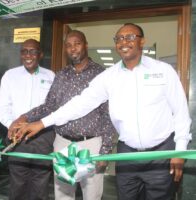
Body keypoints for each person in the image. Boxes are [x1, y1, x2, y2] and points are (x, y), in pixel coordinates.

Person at [17, 23, 191, 200]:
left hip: (160, 153)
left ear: (142, 41)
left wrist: (179, 151)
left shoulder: (163, 71)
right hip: (127, 154)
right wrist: (42, 123)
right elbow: (80, 103)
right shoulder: (109, 76)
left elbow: (181, 112)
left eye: (130, 37)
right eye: (119, 38)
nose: (124, 42)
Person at [10, 30, 115, 200]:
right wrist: (25, 117)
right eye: (68, 45)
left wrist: (105, 150)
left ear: (86, 45)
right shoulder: (61, 75)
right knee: (63, 194)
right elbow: (50, 105)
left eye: (77, 44)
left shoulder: (102, 75)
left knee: (92, 195)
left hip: (91, 145)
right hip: (63, 144)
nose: (73, 49)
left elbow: (108, 114)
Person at [0, 39, 55, 200]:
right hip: (17, 137)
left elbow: (53, 107)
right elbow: (2, 107)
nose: (28, 55)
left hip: (43, 136)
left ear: (40, 54)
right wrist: (12, 125)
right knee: (18, 183)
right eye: (24, 51)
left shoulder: (51, 76)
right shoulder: (10, 75)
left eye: (33, 51)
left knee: (41, 184)